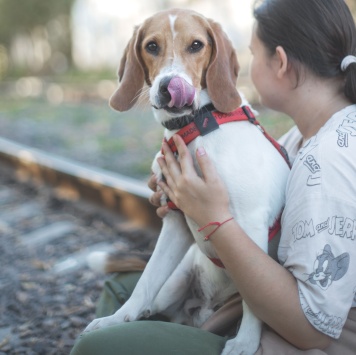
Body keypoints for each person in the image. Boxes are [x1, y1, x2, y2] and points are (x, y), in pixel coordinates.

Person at [70, 0, 356, 353]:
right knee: (120, 288)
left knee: (94, 347)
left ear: (279, 62)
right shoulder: (297, 138)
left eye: (251, 54)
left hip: (291, 336)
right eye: (154, 49)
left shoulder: (332, 161)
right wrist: (185, 203)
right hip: (235, 291)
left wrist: (211, 218)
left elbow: (315, 328)